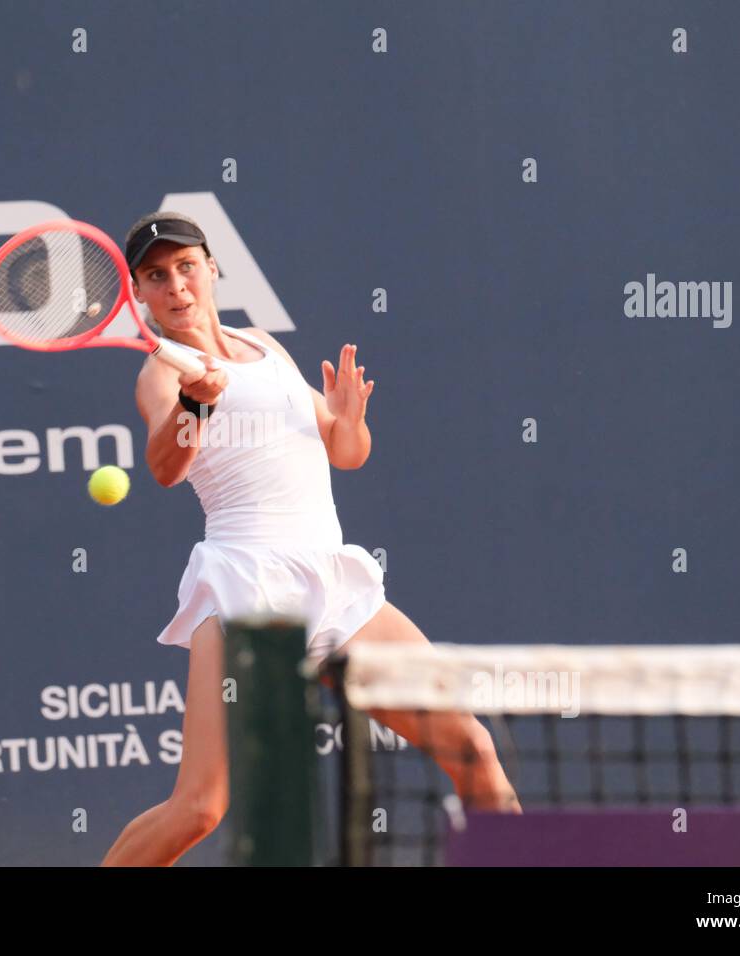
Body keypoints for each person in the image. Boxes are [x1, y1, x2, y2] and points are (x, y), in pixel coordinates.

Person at [101, 212, 519, 866]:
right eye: (157, 276)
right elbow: (164, 467)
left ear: (211, 269)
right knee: (200, 809)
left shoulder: (265, 345)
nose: (177, 285)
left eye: (187, 267)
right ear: (140, 295)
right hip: (246, 594)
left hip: (333, 584)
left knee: (473, 752)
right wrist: (196, 404)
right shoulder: (161, 374)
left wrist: (349, 420)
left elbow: (344, 451)